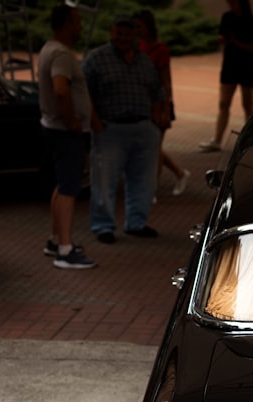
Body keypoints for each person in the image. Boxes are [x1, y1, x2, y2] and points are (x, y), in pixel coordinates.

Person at [82, 14, 168, 244]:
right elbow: (83, 93)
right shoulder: (96, 59)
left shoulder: (144, 61)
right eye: (119, 32)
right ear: (111, 32)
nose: (123, 37)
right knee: (104, 180)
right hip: (110, 128)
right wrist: (95, 122)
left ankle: (136, 223)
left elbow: (158, 91)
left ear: (135, 34)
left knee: (144, 181)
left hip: (143, 128)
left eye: (128, 33)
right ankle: (103, 226)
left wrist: (157, 119)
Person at [38, 3, 96, 269]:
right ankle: (65, 248)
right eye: (77, 21)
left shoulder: (49, 48)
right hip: (64, 131)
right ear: (66, 24)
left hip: (54, 127)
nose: (80, 26)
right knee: (70, 187)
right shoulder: (61, 53)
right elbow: (61, 89)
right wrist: (72, 120)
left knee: (62, 184)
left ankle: (54, 240)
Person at [134, 9, 191, 198]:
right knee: (152, 146)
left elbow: (166, 81)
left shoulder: (160, 50)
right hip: (144, 103)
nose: (137, 30)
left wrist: (166, 107)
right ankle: (180, 174)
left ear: (148, 26)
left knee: (154, 148)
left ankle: (152, 190)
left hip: (158, 104)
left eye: (139, 26)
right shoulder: (140, 45)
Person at [199, 0, 253, 152]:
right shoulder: (227, 17)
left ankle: (251, 139)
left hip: (247, 66)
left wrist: (235, 42)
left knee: (248, 104)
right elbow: (223, 36)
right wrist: (222, 40)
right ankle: (217, 140)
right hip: (230, 65)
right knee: (223, 103)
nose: (230, 4)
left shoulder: (252, 22)